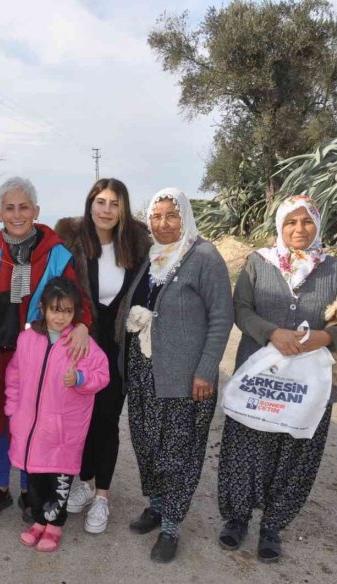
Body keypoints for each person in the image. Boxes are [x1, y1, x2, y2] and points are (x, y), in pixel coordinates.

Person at [217, 195, 337, 563]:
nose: (298, 229)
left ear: (317, 225)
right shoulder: (257, 264)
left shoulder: (335, 269)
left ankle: (272, 526)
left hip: (310, 384)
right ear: (279, 225)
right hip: (260, 377)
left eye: (306, 222)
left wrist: (326, 337)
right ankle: (236, 518)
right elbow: (240, 308)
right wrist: (270, 332)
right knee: (246, 443)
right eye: (291, 222)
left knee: (295, 451)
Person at [0, 176, 93, 522]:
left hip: (41, 356)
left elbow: (78, 301)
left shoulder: (57, 253)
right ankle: (1, 488)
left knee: (32, 421)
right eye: (10, 208)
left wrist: (84, 328)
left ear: (36, 211)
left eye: (24, 207)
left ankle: (31, 489)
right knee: (0, 420)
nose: (17, 215)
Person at [116, 187, 233, 563]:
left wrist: (206, 371)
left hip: (185, 376)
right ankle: (156, 505)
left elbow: (221, 318)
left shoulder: (203, 256)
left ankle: (171, 525)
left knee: (179, 451)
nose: (163, 224)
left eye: (171, 215)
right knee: (147, 443)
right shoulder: (149, 258)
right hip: (143, 370)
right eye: (156, 216)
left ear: (185, 217)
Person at [55, 178, 151, 534]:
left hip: (118, 346)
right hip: (82, 343)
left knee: (107, 421)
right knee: (81, 418)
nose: (106, 210)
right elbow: (62, 290)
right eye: (100, 202)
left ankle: (102, 496)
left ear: (122, 209)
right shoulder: (72, 241)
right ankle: (83, 481)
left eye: (114, 203)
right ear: (90, 204)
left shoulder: (138, 246)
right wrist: (79, 321)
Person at [5, 277, 110, 552]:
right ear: (42, 308)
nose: (60, 317)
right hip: (31, 427)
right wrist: (12, 410)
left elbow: (102, 374)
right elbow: (14, 375)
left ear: (75, 312)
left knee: (59, 481)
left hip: (63, 432)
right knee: (37, 480)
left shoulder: (79, 343)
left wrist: (80, 378)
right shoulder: (27, 339)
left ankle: (54, 526)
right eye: (55, 309)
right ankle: (39, 521)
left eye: (67, 311)